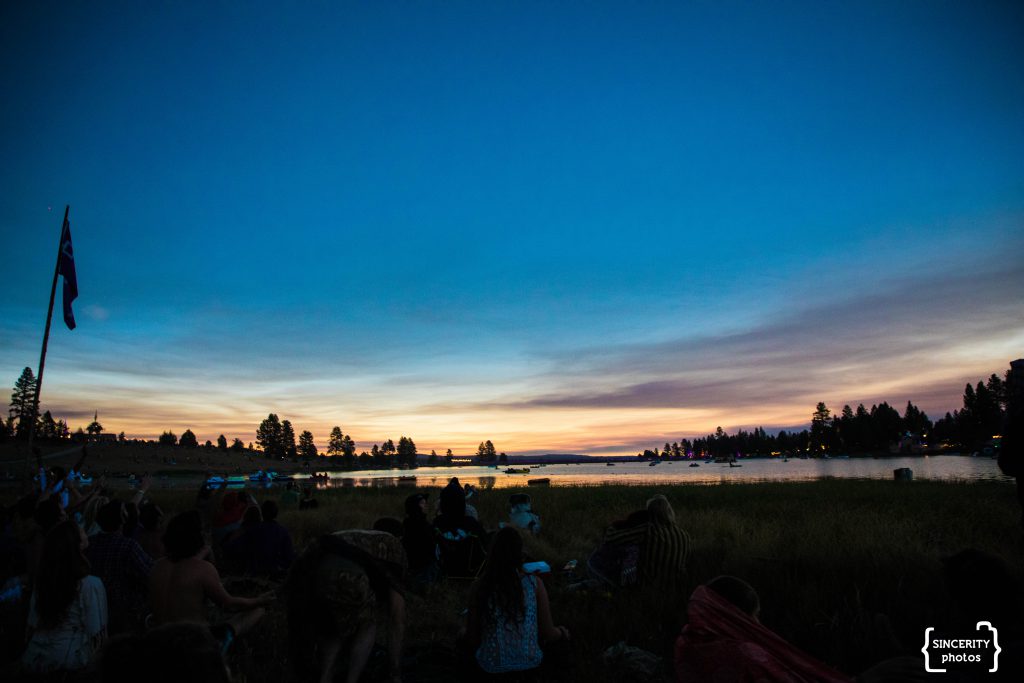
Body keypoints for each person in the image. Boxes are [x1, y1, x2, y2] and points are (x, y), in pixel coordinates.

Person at [287, 530, 406, 683]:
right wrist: (395, 672)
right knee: (368, 623)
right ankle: (352, 679)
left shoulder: (365, 537)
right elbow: (397, 617)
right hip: (345, 574)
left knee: (334, 628)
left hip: (313, 572)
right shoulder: (398, 554)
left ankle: (325, 676)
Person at [149, 510, 273, 645]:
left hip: (160, 640)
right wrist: (259, 600)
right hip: (195, 643)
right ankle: (224, 640)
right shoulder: (202, 569)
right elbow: (230, 605)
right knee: (257, 611)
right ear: (197, 537)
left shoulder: (156, 567)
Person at [462, 527, 569, 677]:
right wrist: (563, 633)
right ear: (520, 554)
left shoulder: (480, 587)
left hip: (490, 668)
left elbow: (471, 639)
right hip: (530, 669)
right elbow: (548, 633)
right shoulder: (534, 584)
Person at [21, 520, 108, 675]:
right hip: (70, 662)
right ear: (76, 544)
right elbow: (97, 633)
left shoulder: (42, 581)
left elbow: (32, 624)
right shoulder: (90, 585)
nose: (85, 531)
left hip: (35, 658)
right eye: (81, 531)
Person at [589, 494, 689, 589]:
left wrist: (618, 525)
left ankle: (601, 587)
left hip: (645, 586)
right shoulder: (684, 535)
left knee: (594, 560)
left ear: (650, 513)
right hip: (671, 587)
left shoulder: (647, 530)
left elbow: (610, 537)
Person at [85, 499, 154, 634]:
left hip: (95, 609)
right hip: (125, 612)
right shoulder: (128, 546)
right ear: (123, 520)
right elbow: (150, 574)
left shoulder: (90, 544)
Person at [402, 493, 439, 587]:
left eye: (425, 502)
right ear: (415, 507)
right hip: (424, 569)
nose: (426, 505)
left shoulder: (407, 524)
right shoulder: (421, 526)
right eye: (422, 503)